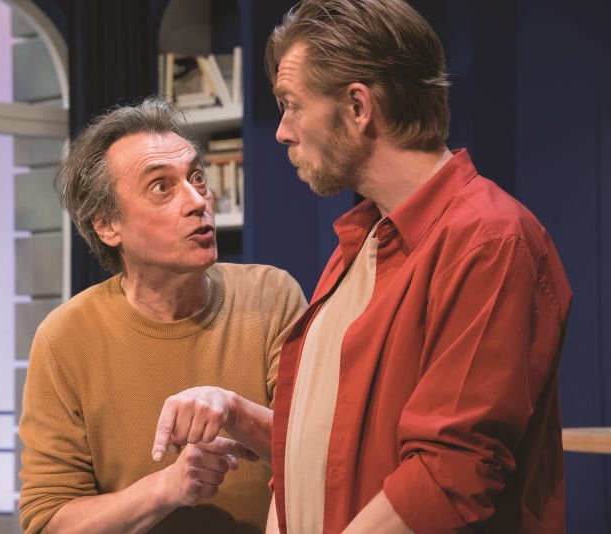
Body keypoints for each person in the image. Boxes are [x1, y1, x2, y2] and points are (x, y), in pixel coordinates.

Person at [151, 1, 572, 532]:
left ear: (357, 106)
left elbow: (449, 476)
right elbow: (337, 449)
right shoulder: (362, 243)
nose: (282, 131)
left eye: (291, 105)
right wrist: (240, 415)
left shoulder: (489, 242)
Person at [16, 98, 307, 533]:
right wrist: (167, 488)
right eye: (161, 187)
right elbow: (48, 522)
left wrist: (233, 411)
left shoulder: (271, 295)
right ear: (106, 225)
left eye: (196, 178)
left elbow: (320, 452)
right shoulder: (65, 338)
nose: (197, 201)